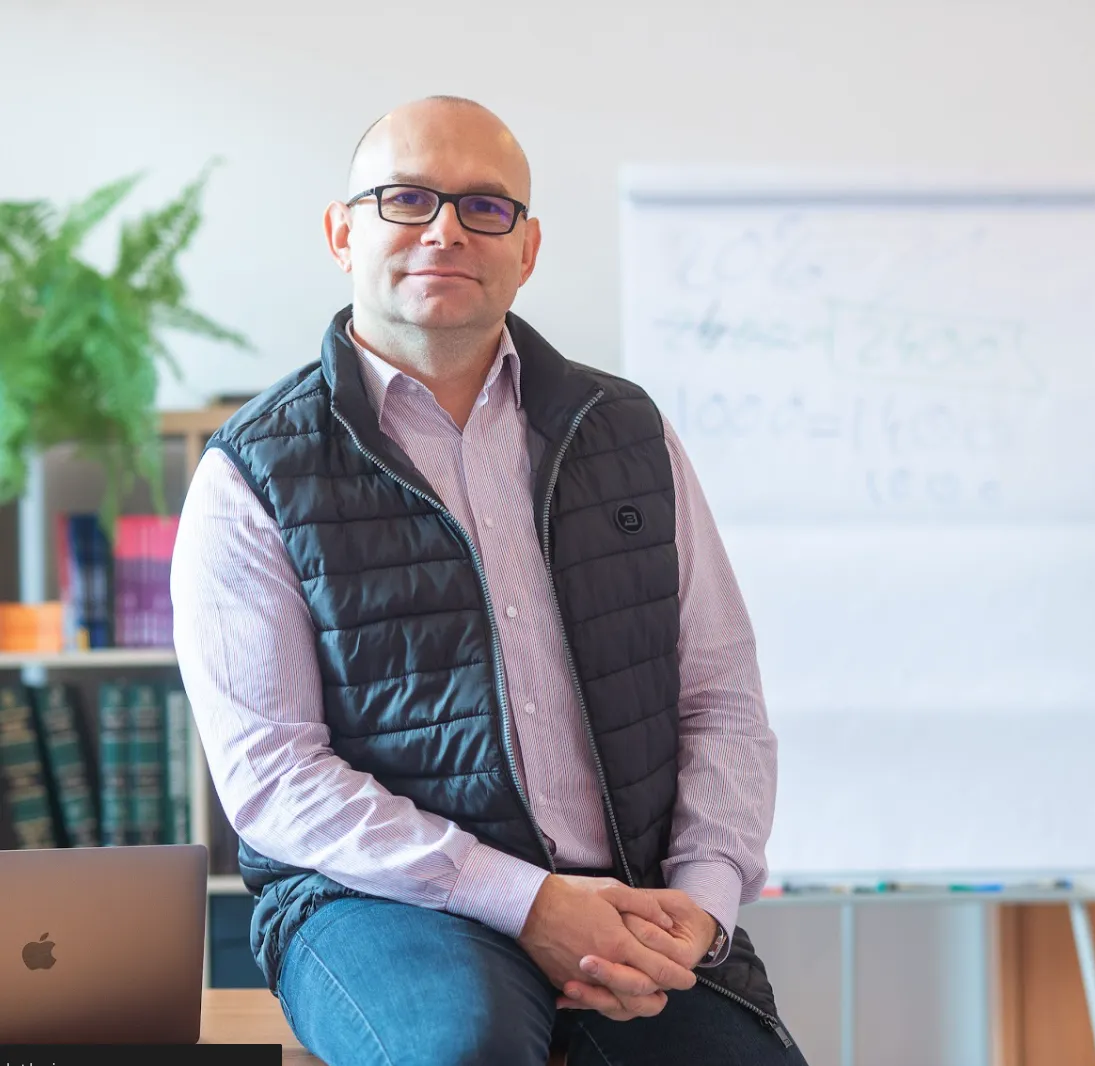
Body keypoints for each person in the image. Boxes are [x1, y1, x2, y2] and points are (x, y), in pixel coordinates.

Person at [171, 95, 807, 1066]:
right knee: (460, 1051)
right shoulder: (254, 473)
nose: (445, 230)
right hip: (376, 902)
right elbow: (274, 776)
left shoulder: (627, 434)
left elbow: (719, 694)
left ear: (528, 247)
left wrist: (704, 899)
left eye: (484, 206)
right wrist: (526, 899)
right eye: (405, 199)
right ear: (342, 234)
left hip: (631, 894)